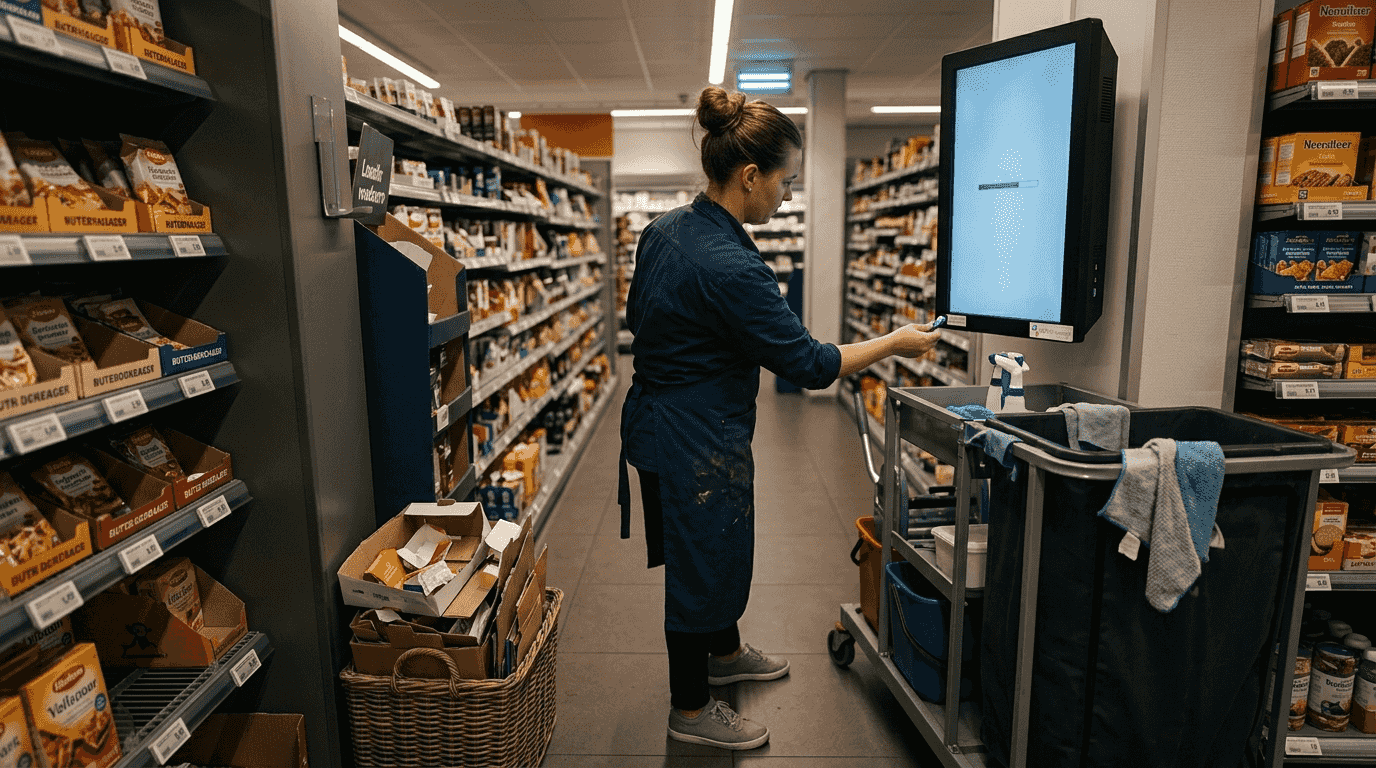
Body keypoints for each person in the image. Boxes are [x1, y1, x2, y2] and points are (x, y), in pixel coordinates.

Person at [617, 86, 942, 751]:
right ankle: (690, 708)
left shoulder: (664, 230)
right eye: (786, 182)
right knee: (700, 566)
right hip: (695, 439)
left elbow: (637, 318)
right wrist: (894, 342)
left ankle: (724, 653)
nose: (787, 197)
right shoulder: (733, 267)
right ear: (749, 176)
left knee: (716, 550)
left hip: (659, 422)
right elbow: (809, 364)